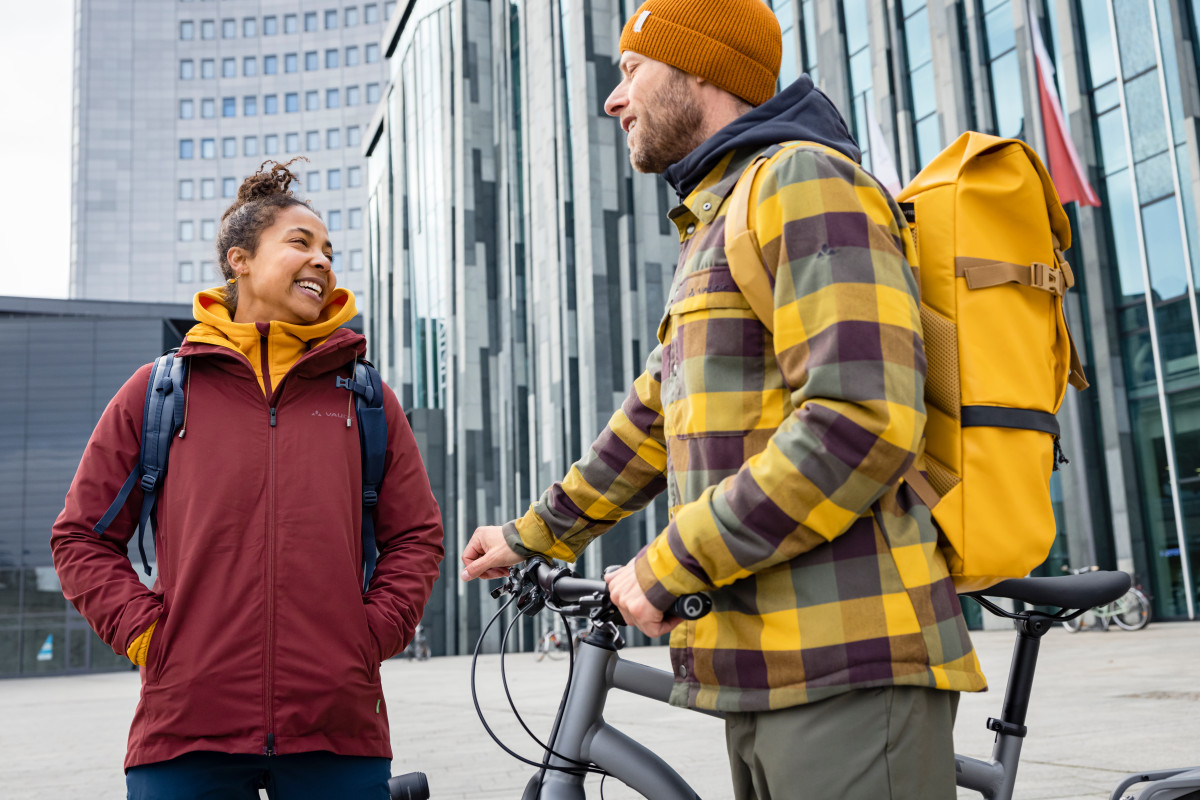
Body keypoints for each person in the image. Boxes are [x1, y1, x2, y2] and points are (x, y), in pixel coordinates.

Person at [461, 1, 986, 797]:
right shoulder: (721, 216)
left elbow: (860, 420)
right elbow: (651, 423)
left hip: (846, 658)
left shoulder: (805, 180)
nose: (614, 98)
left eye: (631, 70)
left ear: (699, 67)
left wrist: (670, 562)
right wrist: (533, 536)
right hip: (766, 667)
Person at [52, 159, 445, 799]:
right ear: (239, 259)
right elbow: (80, 538)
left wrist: (369, 637)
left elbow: (417, 538)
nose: (322, 260)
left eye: (328, 250)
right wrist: (149, 636)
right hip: (184, 733)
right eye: (300, 243)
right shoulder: (158, 392)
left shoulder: (365, 397)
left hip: (336, 732)